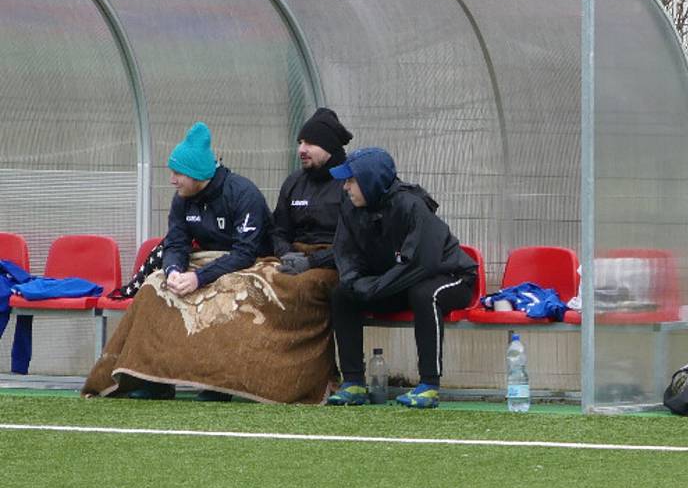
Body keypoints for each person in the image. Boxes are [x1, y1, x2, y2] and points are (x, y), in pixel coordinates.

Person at [130, 121, 276, 401]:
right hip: (200, 262)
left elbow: (246, 253)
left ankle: (218, 383)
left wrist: (198, 278)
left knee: (225, 291)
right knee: (154, 286)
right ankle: (156, 379)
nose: (172, 180)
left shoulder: (244, 194)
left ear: (197, 174)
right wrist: (173, 270)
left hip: (248, 263)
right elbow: (175, 243)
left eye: (177, 174)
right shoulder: (182, 199)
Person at [325, 147, 477, 409]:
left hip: (451, 276)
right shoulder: (351, 208)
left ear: (370, 180)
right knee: (343, 294)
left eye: (351, 180)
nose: (345, 187)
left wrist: (375, 288)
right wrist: (355, 283)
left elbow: (421, 264)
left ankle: (429, 385)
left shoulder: (411, 205)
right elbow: (346, 253)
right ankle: (353, 383)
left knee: (424, 293)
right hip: (399, 281)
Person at [273, 108, 352, 274]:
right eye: (300, 142)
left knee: (296, 289)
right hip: (294, 257)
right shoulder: (294, 182)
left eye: (309, 143)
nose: (301, 150)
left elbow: (355, 243)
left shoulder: (351, 183)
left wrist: (312, 262)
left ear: (329, 146)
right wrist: (286, 252)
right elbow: (278, 230)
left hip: (333, 265)